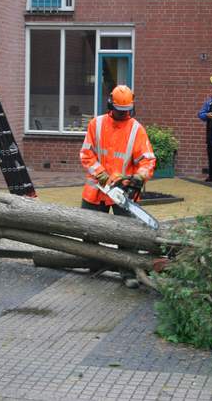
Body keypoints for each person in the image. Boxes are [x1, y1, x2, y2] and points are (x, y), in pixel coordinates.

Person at [79, 85, 156, 289]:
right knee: (90, 230)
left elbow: (147, 159)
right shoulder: (96, 124)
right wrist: (100, 173)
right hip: (97, 188)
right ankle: (93, 265)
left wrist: (140, 175)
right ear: (110, 105)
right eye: (120, 111)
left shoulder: (136, 129)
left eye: (126, 111)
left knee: (128, 235)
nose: (123, 115)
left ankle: (128, 272)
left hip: (124, 190)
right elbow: (86, 154)